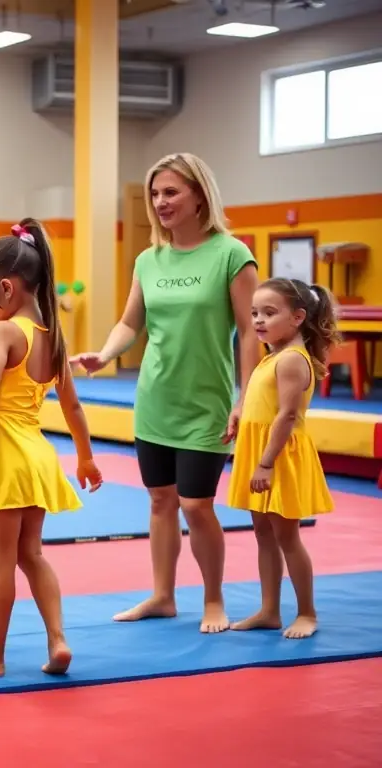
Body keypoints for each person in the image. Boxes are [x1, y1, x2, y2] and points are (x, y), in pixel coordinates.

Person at [71, 152, 259, 634]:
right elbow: (131, 320)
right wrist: (106, 354)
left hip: (207, 402)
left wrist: (246, 398)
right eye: (155, 194)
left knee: (197, 504)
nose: (160, 202)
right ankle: (162, 595)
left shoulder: (231, 254)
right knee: (160, 501)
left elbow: (250, 330)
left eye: (171, 192)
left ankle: (214, 599)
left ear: (199, 194)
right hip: (155, 398)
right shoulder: (148, 260)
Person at [0, 220, 103, 679]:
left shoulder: (4, 332)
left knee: (1, 562)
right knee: (33, 553)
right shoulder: (51, 336)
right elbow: (72, 407)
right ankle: (57, 639)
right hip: (37, 454)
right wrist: (86, 457)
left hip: (4, 455)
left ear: (6, 289)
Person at [226, 278, 337, 639]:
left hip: (279, 456)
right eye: (255, 312)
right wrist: (242, 417)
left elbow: (287, 416)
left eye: (270, 313)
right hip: (262, 449)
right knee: (263, 533)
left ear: (298, 317)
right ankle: (269, 609)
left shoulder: (290, 359)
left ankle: (307, 612)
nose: (258, 320)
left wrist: (266, 462)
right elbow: (265, 406)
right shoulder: (273, 355)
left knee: (287, 535)